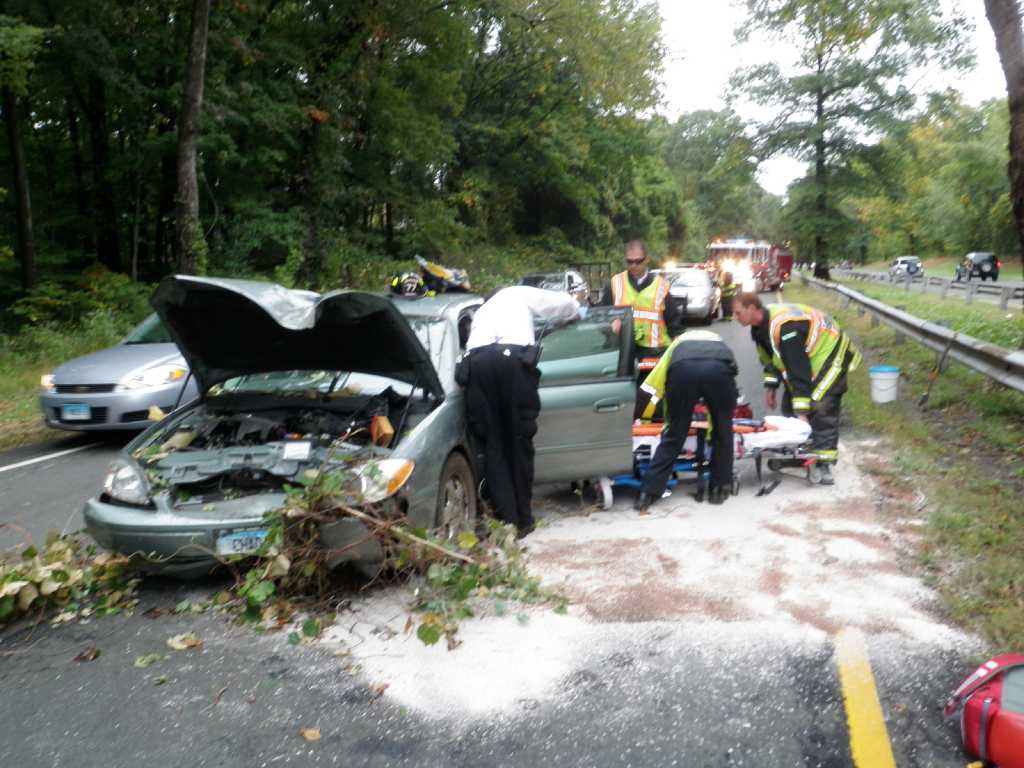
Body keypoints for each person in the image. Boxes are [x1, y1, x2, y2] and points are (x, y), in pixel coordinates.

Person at [459, 286, 581, 536]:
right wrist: (576, 310)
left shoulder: (480, 312)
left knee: (493, 444)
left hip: (477, 366)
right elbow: (558, 304)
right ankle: (524, 520)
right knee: (518, 440)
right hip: (512, 363)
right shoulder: (515, 293)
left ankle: (507, 521)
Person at [732, 293, 861, 485]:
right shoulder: (759, 329)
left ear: (752, 308)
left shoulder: (786, 329)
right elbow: (770, 360)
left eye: (738, 313)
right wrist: (771, 387)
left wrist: (802, 413)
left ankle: (824, 464)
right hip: (807, 356)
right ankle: (801, 452)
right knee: (790, 405)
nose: (735, 318)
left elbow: (798, 370)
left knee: (821, 406)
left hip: (830, 353)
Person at [632, 329, 739, 511]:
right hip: (718, 371)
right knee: (723, 431)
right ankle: (719, 489)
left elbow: (654, 385)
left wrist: (640, 415)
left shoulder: (677, 345)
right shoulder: (720, 343)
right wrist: (716, 424)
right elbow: (732, 372)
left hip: (683, 371)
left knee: (674, 435)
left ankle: (648, 493)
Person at [598, 240, 681, 406]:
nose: (634, 265)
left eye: (638, 261)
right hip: (625, 353)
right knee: (627, 406)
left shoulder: (661, 287)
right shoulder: (614, 285)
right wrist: (610, 325)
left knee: (654, 405)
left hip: (656, 355)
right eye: (629, 261)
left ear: (647, 259)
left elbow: (675, 325)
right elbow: (601, 317)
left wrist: (679, 355)